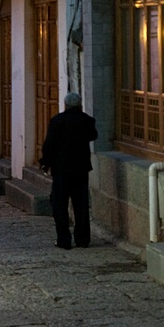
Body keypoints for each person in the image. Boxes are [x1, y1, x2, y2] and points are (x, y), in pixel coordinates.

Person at [40, 92, 98, 249]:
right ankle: (82, 239)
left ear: (65, 105)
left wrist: (45, 163)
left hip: (61, 170)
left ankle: (64, 240)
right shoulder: (86, 120)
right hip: (80, 169)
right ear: (80, 105)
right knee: (81, 205)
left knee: (60, 205)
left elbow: (49, 145)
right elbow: (93, 135)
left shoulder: (57, 121)